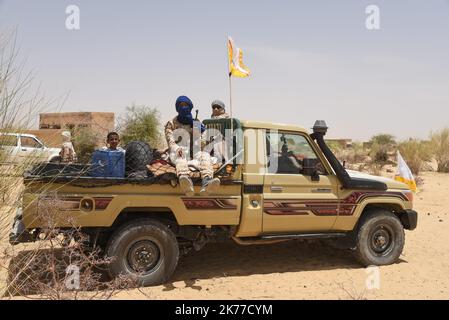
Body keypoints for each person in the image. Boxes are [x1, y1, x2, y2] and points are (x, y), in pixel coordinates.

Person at [165, 95, 220, 196]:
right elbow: (170, 141)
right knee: (180, 157)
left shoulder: (196, 122)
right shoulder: (171, 124)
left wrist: (200, 133)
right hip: (178, 151)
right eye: (181, 105)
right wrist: (177, 148)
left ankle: (207, 182)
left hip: (193, 152)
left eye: (186, 105)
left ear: (190, 107)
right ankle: (186, 181)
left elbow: (202, 143)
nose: (184, 107)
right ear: (177, 108)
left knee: (205, 155)